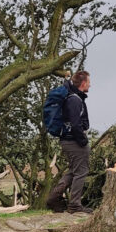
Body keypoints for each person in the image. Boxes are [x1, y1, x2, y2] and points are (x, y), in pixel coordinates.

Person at [46, 71, 93, 214]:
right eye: (89, 82)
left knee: (74, 171)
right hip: (74, 141)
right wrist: (83, 141)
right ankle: (74, 205)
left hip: (68, 140)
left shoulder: (71, 97)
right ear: (83, 83)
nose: (90, 85)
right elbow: (75, 124)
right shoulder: (74, 100)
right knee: (81, 172)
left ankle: (53, 198)